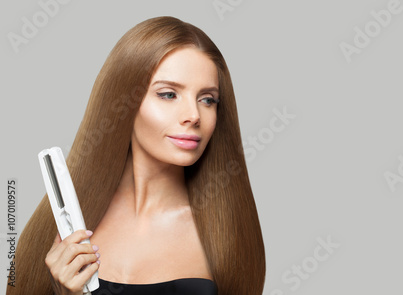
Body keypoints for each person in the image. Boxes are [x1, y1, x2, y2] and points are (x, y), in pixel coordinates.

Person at [7, 16, 266, 295]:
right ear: (123, 100)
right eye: (168, 95)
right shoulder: (58, 225)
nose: (193, 115)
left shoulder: (228, 234)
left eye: (207, 99)